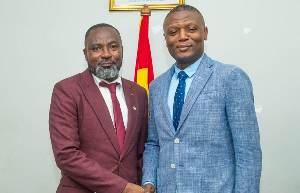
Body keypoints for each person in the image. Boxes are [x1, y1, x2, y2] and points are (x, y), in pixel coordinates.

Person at [142, 4, 262, 193]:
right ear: (166, 40)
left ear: (205, 33)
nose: (182, 36)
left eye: (191, 29)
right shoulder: (156, 86)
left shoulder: (230, 77)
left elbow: (247, 151)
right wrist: (149, 180)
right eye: (173, 32)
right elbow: (154, 143)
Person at [49, 23, 148, 193]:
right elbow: (66, 155)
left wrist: (144, 184)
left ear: (122, 50)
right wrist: (122, 188)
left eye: (113, 47)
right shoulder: (67, 90)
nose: (106, 54)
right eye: (96, 48)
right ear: (86, 54)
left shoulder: (138, 93)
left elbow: (141, 151)